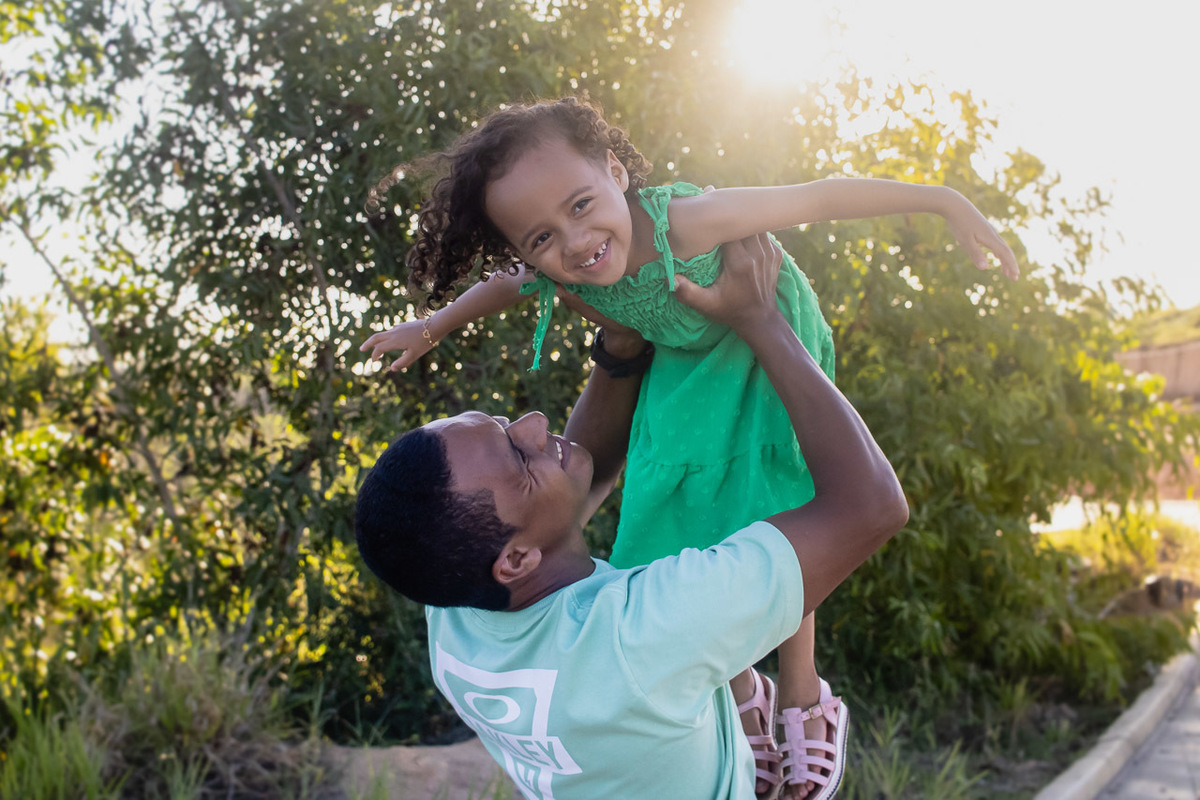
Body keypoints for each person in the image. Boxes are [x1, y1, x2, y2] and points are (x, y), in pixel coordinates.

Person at [360, 97, 1018, 798]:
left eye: (583, 204)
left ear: (616, 170)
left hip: (759, 338)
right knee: (662, 496)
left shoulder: (686, 225)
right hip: (686, 356)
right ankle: (739, 691)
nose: (575, 243)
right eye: (541, 239)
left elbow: (818, 197)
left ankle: (800, 697)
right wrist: (436, 323)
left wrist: (942, 200)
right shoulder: (623, 635)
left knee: (774, 499)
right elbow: (505, 287)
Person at [355, 233, 910, 799]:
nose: (533, 422)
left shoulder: (454, 611)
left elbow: (577, 482)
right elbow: (871, 506)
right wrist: (761, 322)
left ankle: (740, 701)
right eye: (519, 457)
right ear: (516, 560)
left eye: (501, 423)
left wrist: (619, 346)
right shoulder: (642, 635)